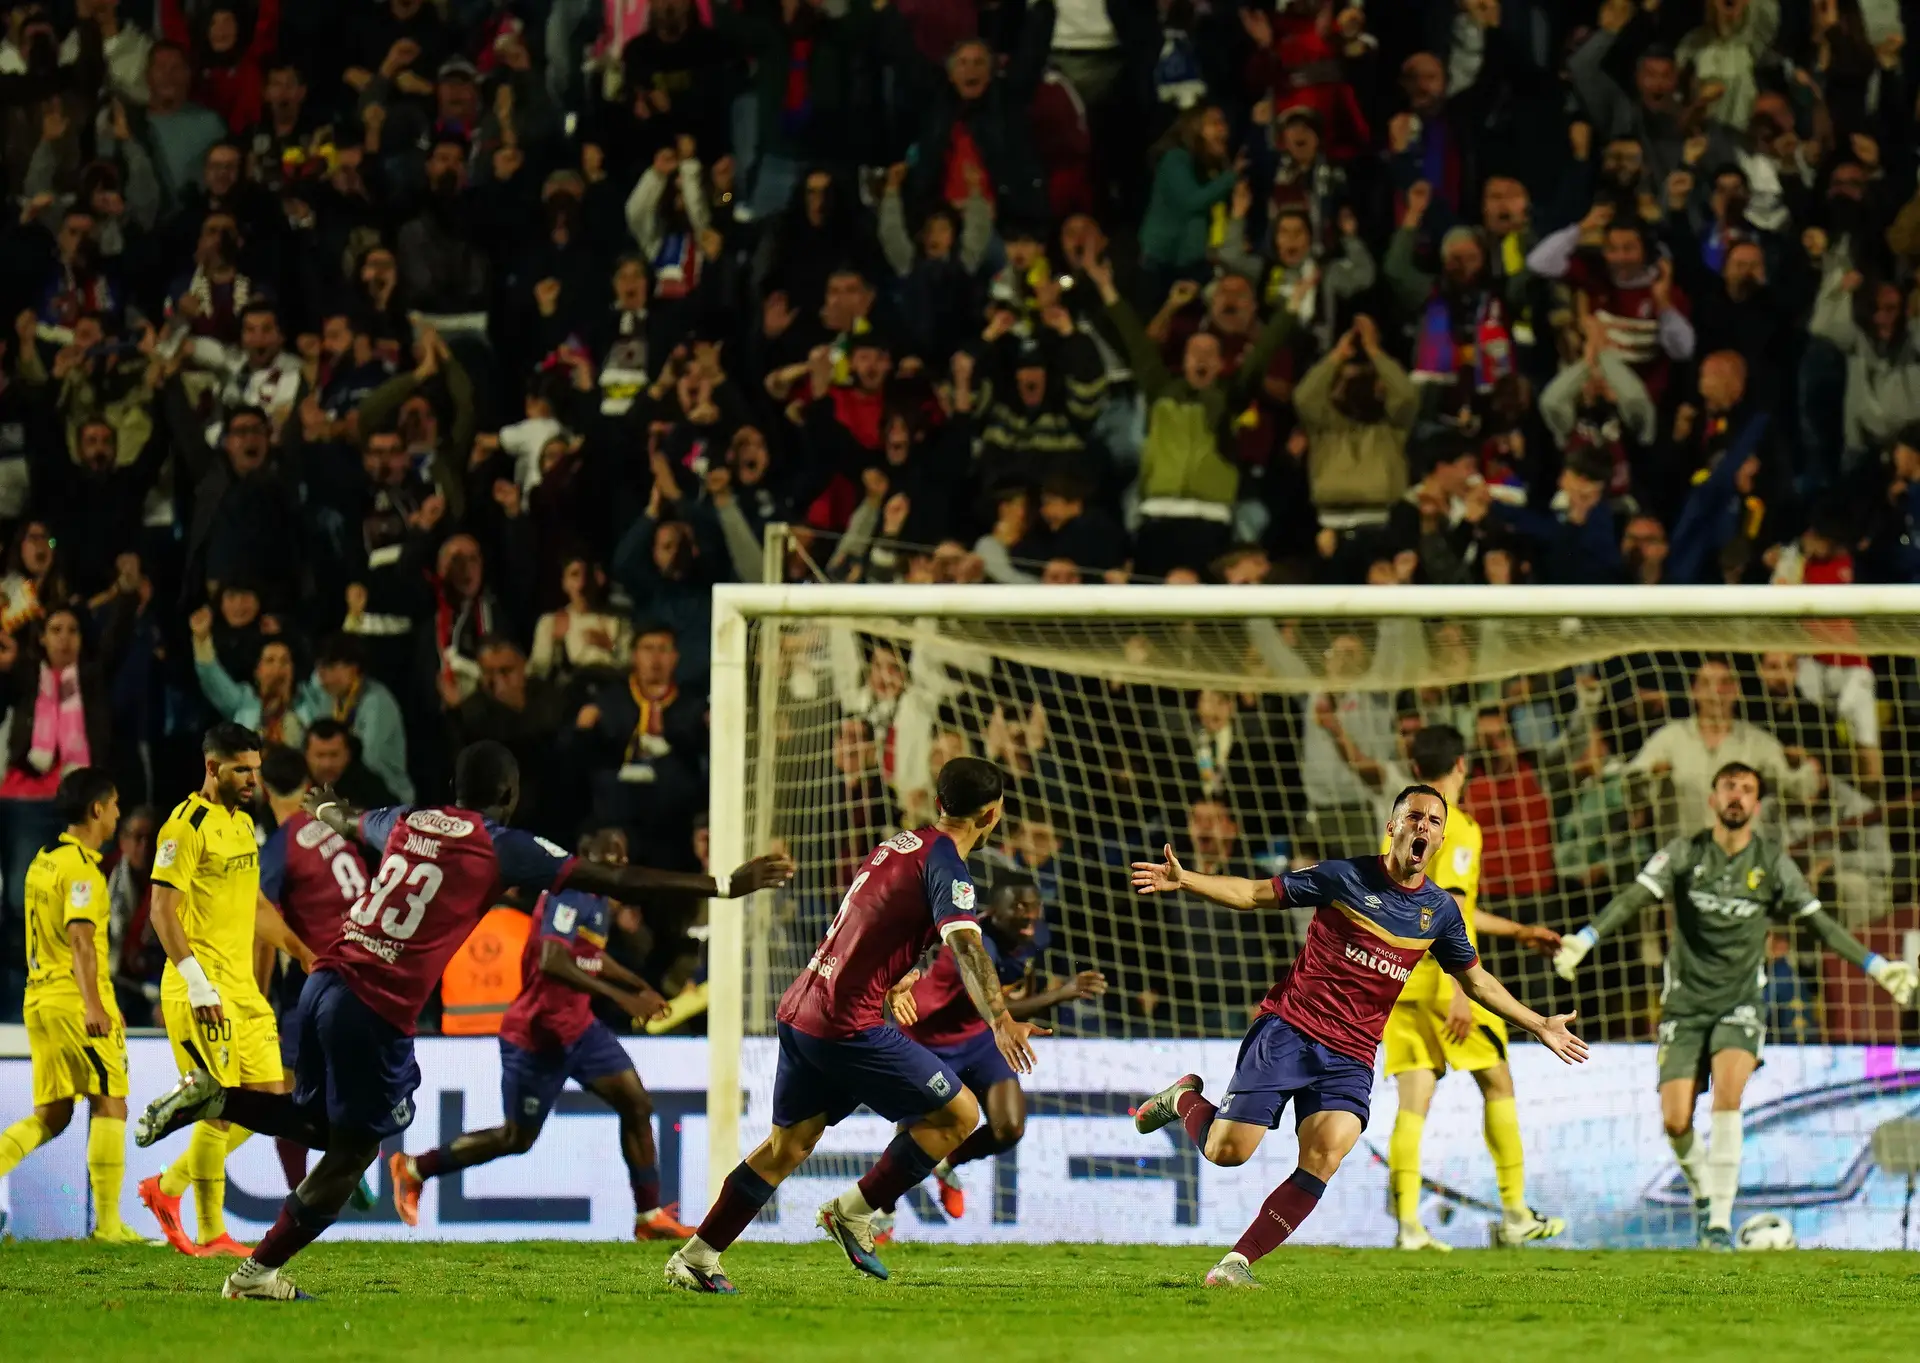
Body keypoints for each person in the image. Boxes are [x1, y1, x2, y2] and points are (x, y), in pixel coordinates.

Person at [131, 740, 792, 1301]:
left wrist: (321, 805)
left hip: (328, 980)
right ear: (510, 792)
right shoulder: (500, 844)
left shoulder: (409, 819)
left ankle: (216, 1096)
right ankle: (258, 1271)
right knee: (353, 1149)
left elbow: (350, 818)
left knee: (318, 1123)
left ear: (455, 787)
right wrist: (726, 886)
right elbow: (620, 881)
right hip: (377, 1004)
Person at [1129, 783, 1587, 1288]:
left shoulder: (1439, 912)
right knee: (1227, 1152)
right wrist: (1187, 879)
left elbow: (1475, 981)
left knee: (1326, 1153)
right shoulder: (1342, 876)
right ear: (1392, 827)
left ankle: (1237, 1263)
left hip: (1352, 1053)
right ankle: (1186, 1098)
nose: (1424, 827)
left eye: (1435, 822)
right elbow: (1256, 894)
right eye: (1415, 817)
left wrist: (1539, 1022)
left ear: (1439, 841)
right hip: (1291, 1028)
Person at [664, 758, 1048, 1295]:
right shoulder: (948, 867)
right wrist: (1001, 1018)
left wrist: (897, 975)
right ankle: (853, 1212)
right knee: (960, 1114)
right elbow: (965, 944)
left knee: (788, 1145)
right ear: (992, 813)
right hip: (847, 1024)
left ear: (940, 804)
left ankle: (697, 1255)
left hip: (804, 1007)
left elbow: (862, 919)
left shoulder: (898, 845)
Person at [1553, 762, 1916, 1250]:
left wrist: (1876, 965)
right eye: (1729, 787)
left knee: (1728, 1097)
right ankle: (1707, 1195)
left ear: (1757, 805)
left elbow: (1820, 924)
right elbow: (1634, 897)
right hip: (1684, 1006)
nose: (1737, 797)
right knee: (1676, 1120)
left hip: (1741, 1004)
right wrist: (1586, 938)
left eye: (1747, 790)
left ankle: (1719, 1225)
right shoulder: (1685, 852)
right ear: (1713, 797)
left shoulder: (1771, 862)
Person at [387, 829, 696, 1242]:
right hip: (536, 1036)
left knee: (636, 1103)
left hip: (579, 1030)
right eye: (608, 859)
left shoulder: (598, 899)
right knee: (516, 1139)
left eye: (621, 860)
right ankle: (414, 1168)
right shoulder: (571, 892)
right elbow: (553, 960)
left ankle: (648, 1216)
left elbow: (588, 954)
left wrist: (637, 985)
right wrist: (622, 1000)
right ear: (585, 858)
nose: (617, 867)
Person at [1379, 726, 1564, 1252]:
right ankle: (1514, 1214)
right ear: (1462, 764)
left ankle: (1409, 1227)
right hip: (1448, 980)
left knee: (1414, 1100)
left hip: (1401, 978)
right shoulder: (1455, 824)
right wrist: (1461, 990)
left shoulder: (1396, 827)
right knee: (1499, 1084)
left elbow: (1433, 900)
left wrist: (1517, 930)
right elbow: (1453, 907)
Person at [138, 723, 310, 1257]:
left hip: (241, 987)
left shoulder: (241, 826)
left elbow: (255, 905)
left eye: (256, 771)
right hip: (202, 987)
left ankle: (165, 1188)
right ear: (212, 768)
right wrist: (197, 985)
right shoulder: (184, 827)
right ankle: (210, 1232)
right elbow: (161, 910)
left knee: (272, 1102)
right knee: (222, 1107)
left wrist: (302, 951)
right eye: (242, 770)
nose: (252, 781)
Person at [877, 876, 1105, 1234]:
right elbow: (991, 1006)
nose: (1029, 914)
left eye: (1033, 906)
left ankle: (949, 1164)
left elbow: (1009, 994)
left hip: (980, 1038)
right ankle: (882, 1211)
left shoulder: (1036, 935)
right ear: (992, 913)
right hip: (926, 1036)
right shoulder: (970, 947)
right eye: (1018, 907)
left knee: (1009, 1127)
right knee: (910, 1138)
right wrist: (1063, 993)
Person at [0, 767, 149, 1243]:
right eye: (115, 805)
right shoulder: (84, 869)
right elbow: (82, 940)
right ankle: (107, 1225)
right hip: (72, 1000)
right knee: (112, 1102)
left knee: (54, 1114)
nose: (118, 814)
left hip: (39, 998)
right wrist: (95, 1005)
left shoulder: (44, 860)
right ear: (96, 809)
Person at [255, 745, 360, 1197]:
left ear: (261, 786)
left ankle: (307, 1196)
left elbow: (261, 920)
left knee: (286, 1092)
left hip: (322, 979)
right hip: (370, 968)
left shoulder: (282, 844)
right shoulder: (339, 826)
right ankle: (344, 1160)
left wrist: (257, 998)